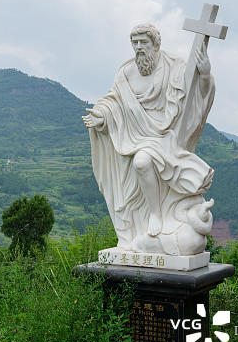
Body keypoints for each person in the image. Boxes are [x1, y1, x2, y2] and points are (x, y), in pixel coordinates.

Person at [83, 23, 215, 255]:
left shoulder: (176, 67)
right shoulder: (126, 71)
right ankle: (134, 235)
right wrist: (102, 117)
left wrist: (205, 74)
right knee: (130, 166)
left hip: (165, 136)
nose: (139, 47)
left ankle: (156, 215)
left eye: (144, 42)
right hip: (132, 135)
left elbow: (199, 94)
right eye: (135, 43)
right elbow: (114, 101)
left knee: (142, 162)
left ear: (156, 44)